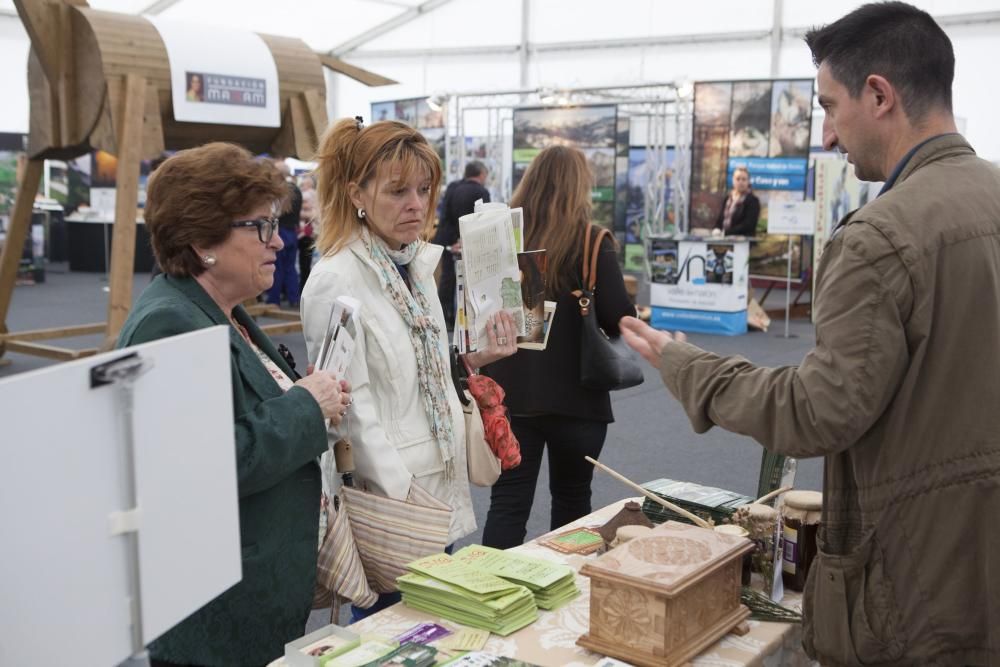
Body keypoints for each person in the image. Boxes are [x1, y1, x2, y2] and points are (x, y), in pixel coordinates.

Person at [620, 3, 1000, 664]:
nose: (825, 134)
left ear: (879, 94)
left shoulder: (882, 235)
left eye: (828, 106)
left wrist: (690, 367)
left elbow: (818, 411)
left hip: (915, 588)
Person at [116, 143, 352, 666]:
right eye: (262, 227)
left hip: (246, 593)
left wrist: (305, 397)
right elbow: (200, 465)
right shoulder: (168, 323)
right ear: (203, 239)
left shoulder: (219, 309)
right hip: (212, 616)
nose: (280, 241)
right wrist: (304, 408)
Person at [300, 118, 517, 619]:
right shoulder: (337, 280)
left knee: (437, 633)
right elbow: (351, 410)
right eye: (397, 191)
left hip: (437, 488)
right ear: (357, 193)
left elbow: (420, 372)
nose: (415, 204)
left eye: (423, 189)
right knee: (397, 636)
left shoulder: (413, 265)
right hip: (394, 504)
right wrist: (404, 495)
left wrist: (475, 361)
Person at [480, 146, 636, 549]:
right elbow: (618, 315)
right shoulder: (591, 241)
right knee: (572, 500)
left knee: (509, 503)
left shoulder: (505, 237)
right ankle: (563, 595)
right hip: (578, 398)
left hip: (512, 394)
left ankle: (491, 594)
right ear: (578, 187)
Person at [431, 161, 490, 328]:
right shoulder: (481, 191)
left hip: (446, 239)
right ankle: (466, 321)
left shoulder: (452, 187)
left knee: (447, 279)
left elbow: (445, 213)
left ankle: (444, 317)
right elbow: (482, 221)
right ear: (481, 175)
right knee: (469, 282)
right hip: (467, 243)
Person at [266, 181, 302, 307]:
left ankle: (274, 299)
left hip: (283, 232)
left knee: (278, 267)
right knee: (290, 267)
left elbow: (277, 213)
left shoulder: (284, 194)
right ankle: (294, 298)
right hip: (293, 232)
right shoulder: (298, 191)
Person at [713, 166, 759, 236]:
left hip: (743, 243)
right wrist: (717, 229)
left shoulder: (753, 201)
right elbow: (720, 220)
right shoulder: (728, 198)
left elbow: (748, 225)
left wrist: (727, 233)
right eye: (738, 179)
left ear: (748, 181)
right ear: (733, 180)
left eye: (744, 179)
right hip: (724, 241)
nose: (740, 182)